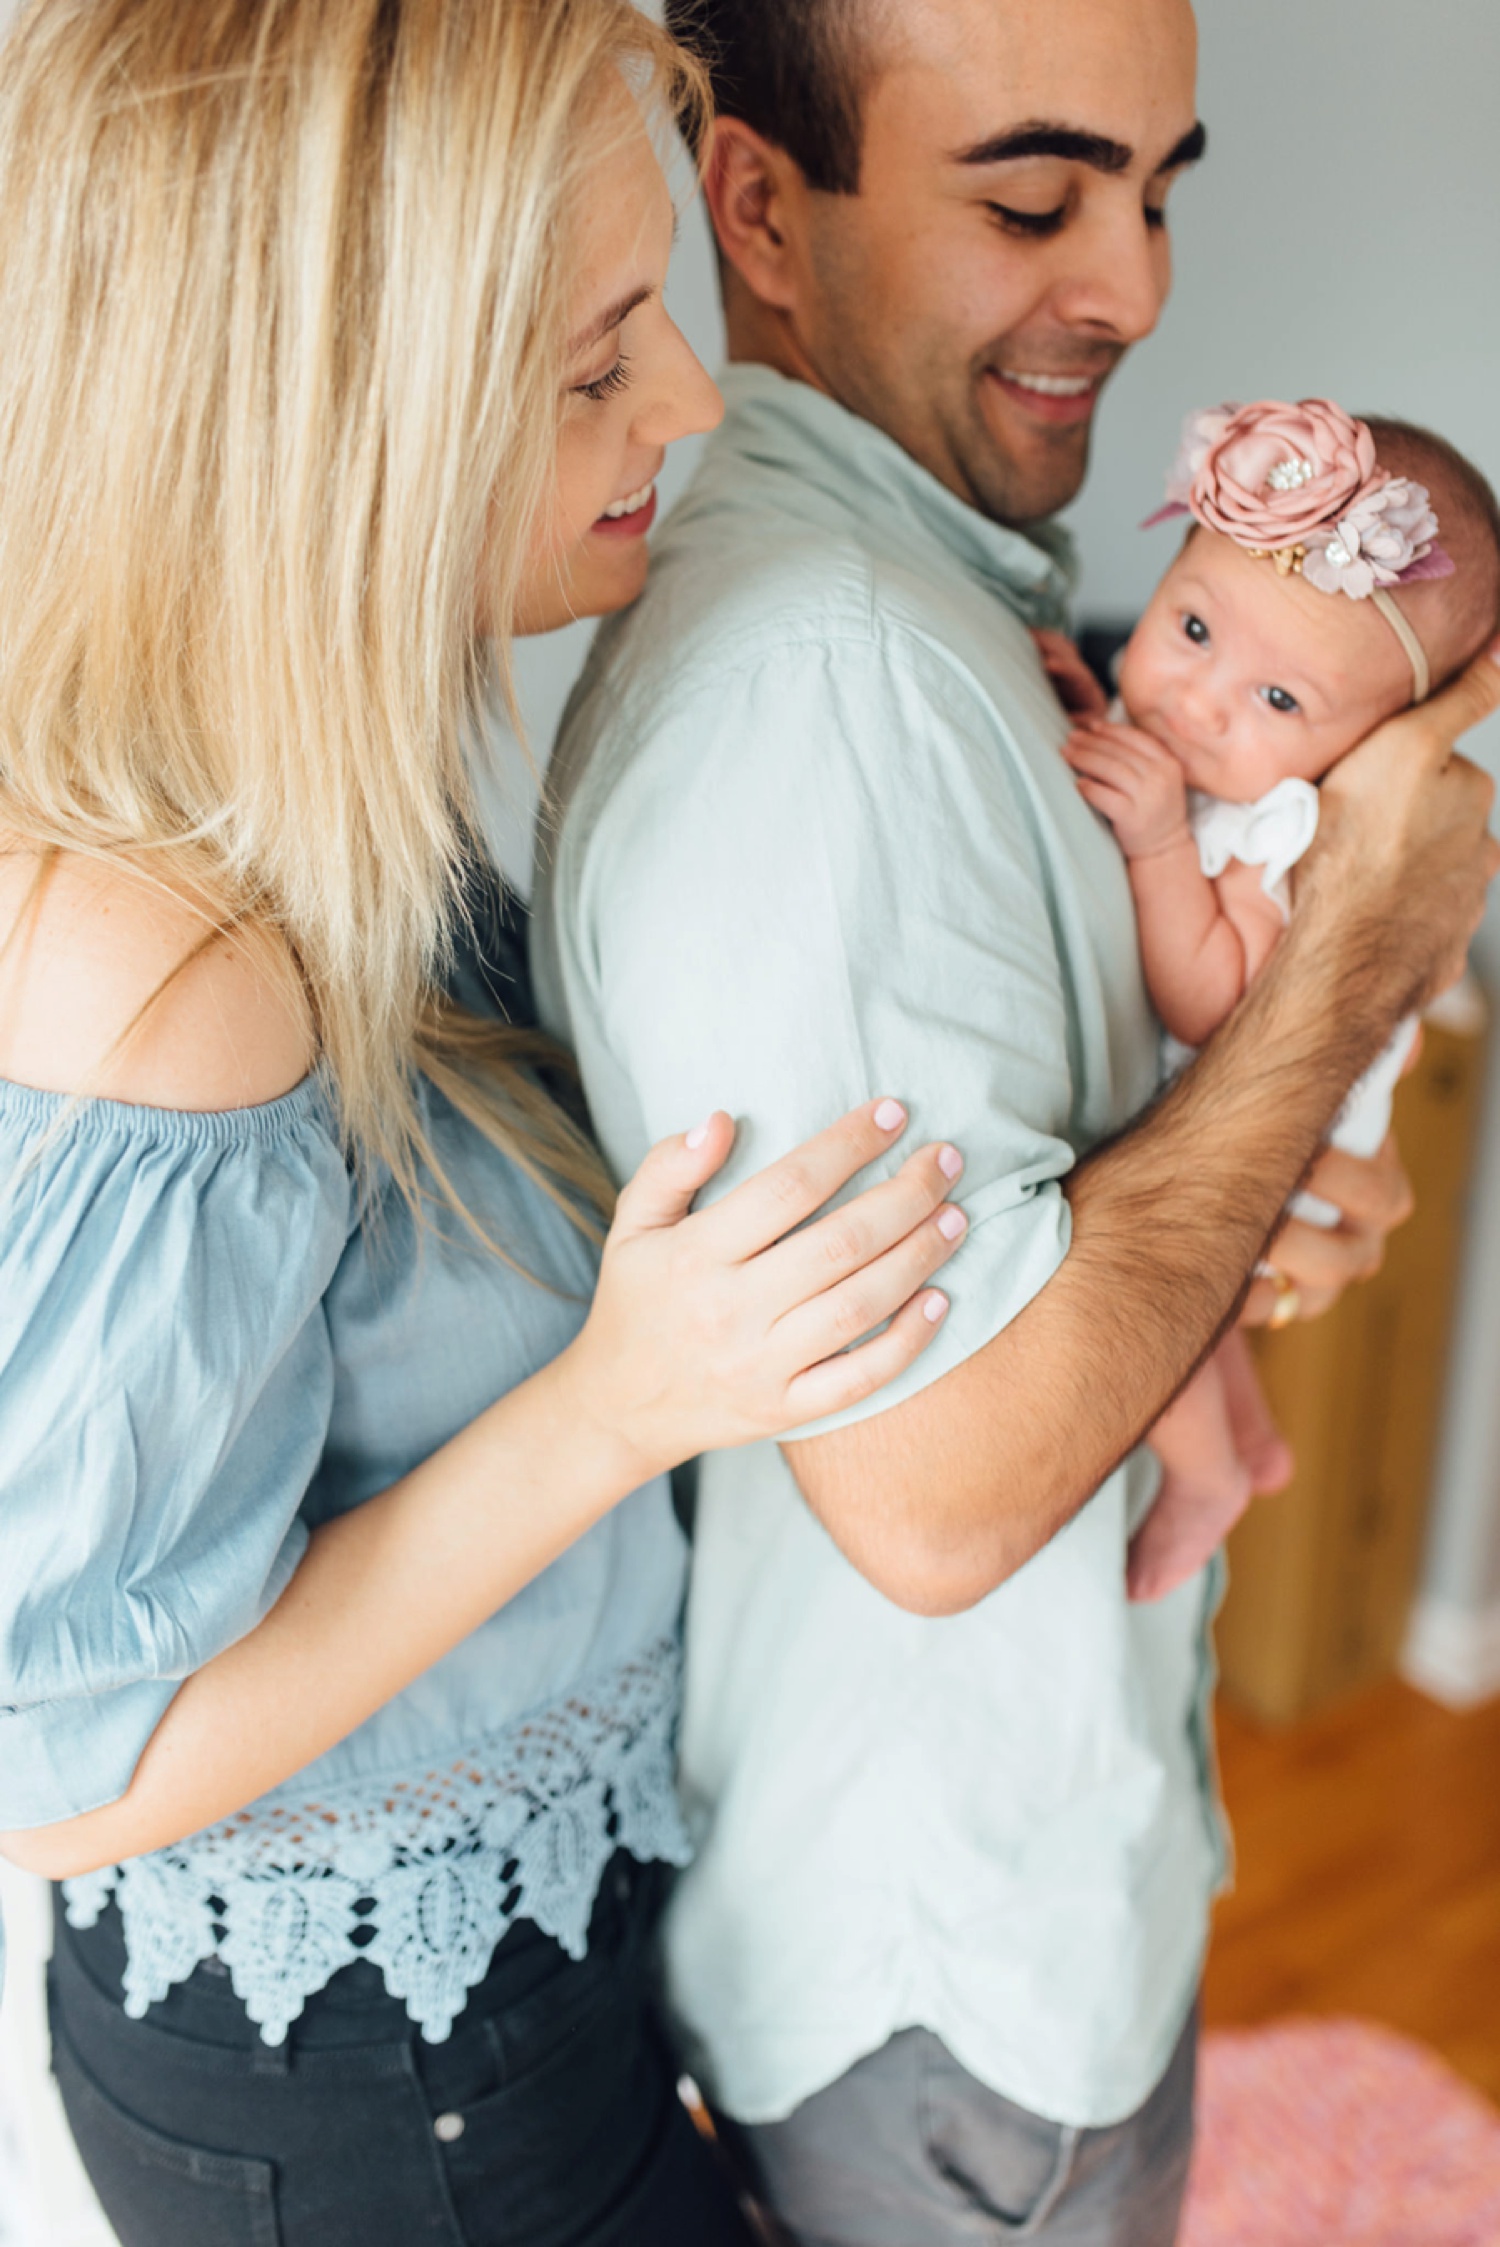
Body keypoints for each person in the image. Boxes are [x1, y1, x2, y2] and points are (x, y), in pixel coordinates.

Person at [0, 4, 971, 2242]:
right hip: (385, 2081)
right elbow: (73, 1764)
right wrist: (629, 1397)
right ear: (328, 434)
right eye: (594, 363)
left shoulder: (319, 809)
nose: (697, 407)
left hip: (504, 1968)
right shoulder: (174, 971)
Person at [530, 0, 1500, 2239]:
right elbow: (945, 1499)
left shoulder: (963, 626)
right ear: (759, 203)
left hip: (997, 1870)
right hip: (953, 1961)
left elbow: (1083, 1184)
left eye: (1159, 189)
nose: (1141, 284)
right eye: (1035, 194)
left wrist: (1257, 1189)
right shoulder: (831, 689)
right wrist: (1363, 938)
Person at [1062, 400, 1500, 1600]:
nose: (1199, 699)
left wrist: (1156, 842)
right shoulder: (1211, 754)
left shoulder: (1287, 831)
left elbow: (1213, 1005)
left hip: (1281, 1103)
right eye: (1192, 624)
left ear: (1369, 749)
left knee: (1162, 1314)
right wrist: (1088, 705)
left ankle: (1203, 1476)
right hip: (1242, 1102)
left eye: (1281, 703)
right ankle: (1248, 1440)